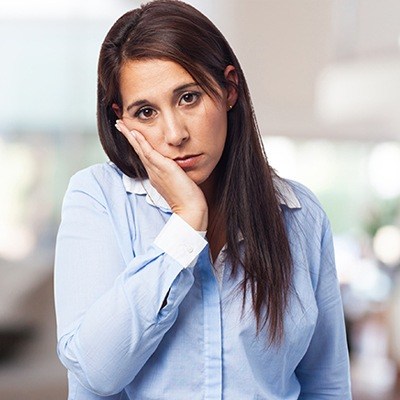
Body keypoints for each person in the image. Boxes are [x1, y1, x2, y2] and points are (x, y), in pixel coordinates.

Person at [54, 0, 352, 398]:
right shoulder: (98, 199)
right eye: (146, 111)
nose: (174, 133)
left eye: (188, 98)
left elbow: (326, 384)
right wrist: (185, 225)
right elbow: (95, 372)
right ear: (121, 121)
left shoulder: (301, 216)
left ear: (229, 88)